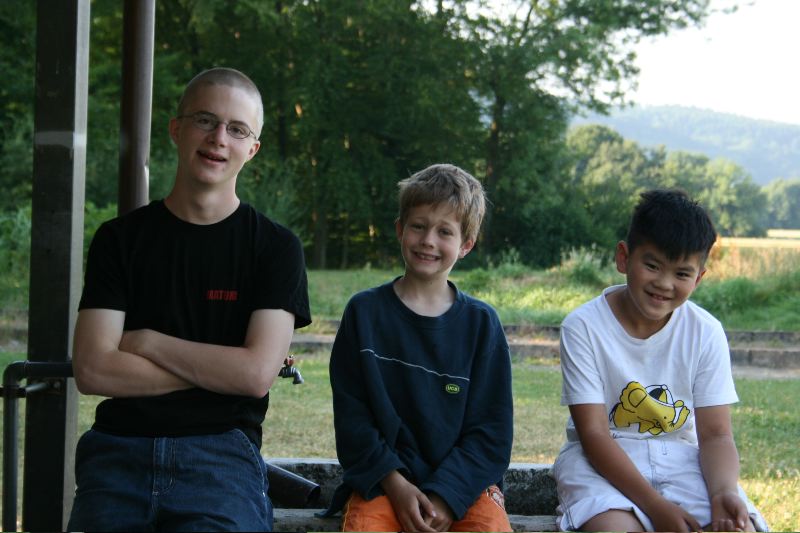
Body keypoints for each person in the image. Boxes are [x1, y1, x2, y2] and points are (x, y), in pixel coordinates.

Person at [68, 67, 311, 532]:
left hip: (221, 457)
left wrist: (147, 342)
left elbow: (256, 375)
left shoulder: (276, 248)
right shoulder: (119, 240)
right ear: (176, 129)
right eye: (205, 120)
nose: (219, 138)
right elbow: (94, 370)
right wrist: (221, 373)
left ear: (252, 149)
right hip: (118, 451)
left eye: (237, 129)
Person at [554, 189, 768, 532]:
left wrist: (723, 491)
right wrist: (654, 506)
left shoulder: (705, 332)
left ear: (698, 278)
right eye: (652, 266)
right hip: (600, 461)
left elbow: (715, 435)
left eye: (682, 274)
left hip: (681, 459)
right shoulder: (583, 327)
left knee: (737, 526)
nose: (664, 284)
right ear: (624, 258)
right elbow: (594, 434)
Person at [322, 163, 514, 532]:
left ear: (466, 245)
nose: (428, 240)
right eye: (418, 226)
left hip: (465, 487)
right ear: (400, 229)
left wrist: (445, 496)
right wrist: (395, 485)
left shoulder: (481, 325)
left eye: (445, 231)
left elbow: (491, 433)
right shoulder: (364, 313)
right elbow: (353, 420)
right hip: (384, 481)